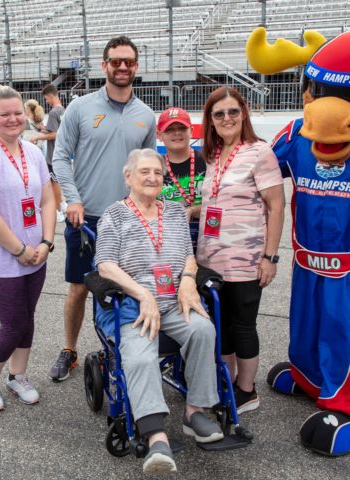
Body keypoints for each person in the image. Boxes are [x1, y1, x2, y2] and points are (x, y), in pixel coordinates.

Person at [96, 148, 223, 474]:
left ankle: (194, 412)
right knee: (139, 356)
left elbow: (188, 257)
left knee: (203, 330)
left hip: (172, 300)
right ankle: (155, 437)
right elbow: (105, 265)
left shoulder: (176, 212)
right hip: (131, 305)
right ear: (128, 177)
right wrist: (142, 295)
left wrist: (188, 280)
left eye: (157, 172)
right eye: (144, 172)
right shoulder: (115, 214)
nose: (153, 177)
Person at [49, 36, 156, 382]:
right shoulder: (80, 108)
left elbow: (149, 166)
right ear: (104, 65)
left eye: (128, 61)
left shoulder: (145, 115)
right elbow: (61, 157)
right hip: (87, 217)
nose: (122, 67)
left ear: (136, 67)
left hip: (127, 219)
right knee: (80, 288)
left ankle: (116, 348)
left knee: (124, 286)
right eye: (115, 61)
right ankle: (70, 350)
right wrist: (72, 198)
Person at [0, 86, 56, 412]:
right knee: (13, 322)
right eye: (4, 114)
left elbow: (47, 198)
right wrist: (19, 250)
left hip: (36, 253)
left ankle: (17, 376)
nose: (13, 119)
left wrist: (46, 241)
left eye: (17, 112)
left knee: (27, 318)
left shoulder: (31, 151)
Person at [196, 87, 285, 414]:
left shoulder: (259, 151)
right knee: (221, 325)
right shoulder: (214, 153)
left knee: (243, 324)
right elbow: (216, 200)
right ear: (211, 121)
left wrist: (269, 257)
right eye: (218, 114)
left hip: (246, 259)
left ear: (243, 113)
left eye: (232, 111)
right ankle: (229, 381)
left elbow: (276, 207)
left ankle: (247, 391)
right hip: (212, 259)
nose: (226, 118)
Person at [157, 107, 206, 250]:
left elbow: (222, 203)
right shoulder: (155, 167)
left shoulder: (209, 161)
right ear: (159, 135)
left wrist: (193, 210)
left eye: (181, 128)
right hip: (169, 245)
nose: (177, 133)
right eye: (169, 129)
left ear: (191, 131)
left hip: (209, 242)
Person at [29, 84, 66, 223]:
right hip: (61, 152)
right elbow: (55, 131)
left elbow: (55, 134)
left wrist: (37, 137)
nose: (47, 101)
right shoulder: (62, 110)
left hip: (54, 154)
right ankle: (62, 205)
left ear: (50, 96)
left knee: (53, 183)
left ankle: (59, 210)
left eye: (46, 98)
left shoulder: (53, 112)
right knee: (55, 182)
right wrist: (43, 130)